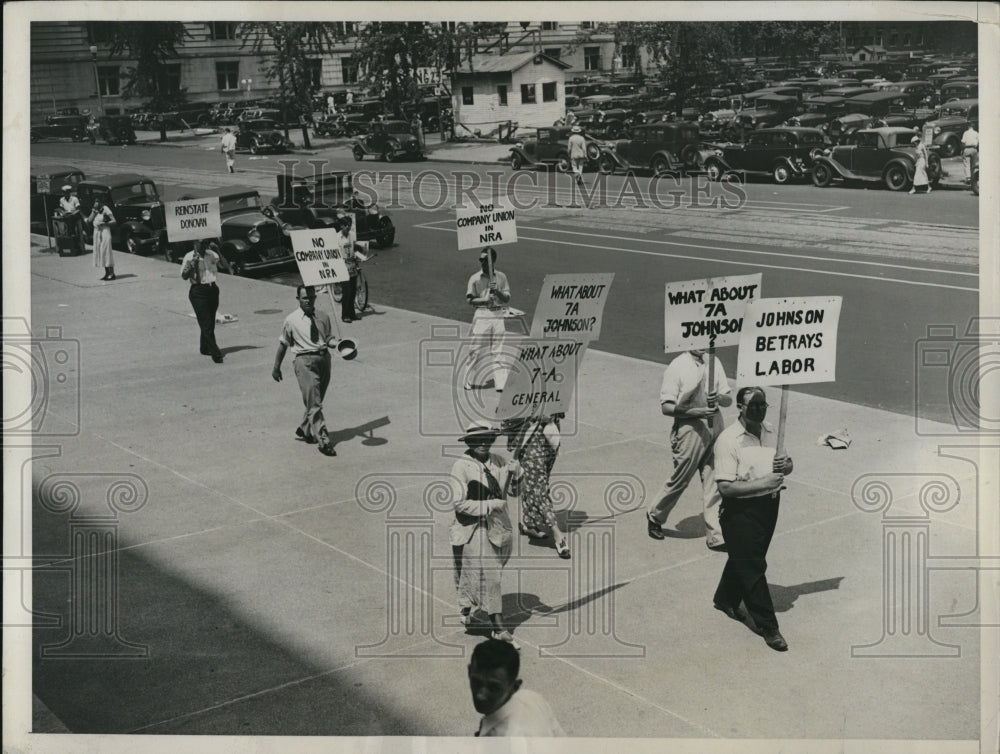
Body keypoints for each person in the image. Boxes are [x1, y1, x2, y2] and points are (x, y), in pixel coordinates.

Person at [712, 386, 794, 652]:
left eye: (762, 405)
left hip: (769, 506)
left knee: (747, 556)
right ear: (740, 407)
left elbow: (787, 465)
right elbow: (726, 488)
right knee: (754, 566)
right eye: (753, 406)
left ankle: (725, 598)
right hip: (740, 511)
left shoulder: (771, 431)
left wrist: (785, 466)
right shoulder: (728, 440)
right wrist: (765, 482)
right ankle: (768, 626)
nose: (759, 410)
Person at [646, 348, 732, 550]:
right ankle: (655, 515)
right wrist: (698, 411)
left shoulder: (713, 361)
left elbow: (728, 399)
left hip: (715, 423)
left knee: (715, 478)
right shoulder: (678, 365)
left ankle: (715, 535)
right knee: (682, 477)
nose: (702, 344)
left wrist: (719, 398)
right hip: (690, 427)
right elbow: (667, 407)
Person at [448, 424, 523, 648]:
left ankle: (466, 606)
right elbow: (459, 504)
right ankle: (499, 629)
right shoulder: (460, 467)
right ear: (468, 442)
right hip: (471, 527)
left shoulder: (499, 461)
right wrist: (490, 505)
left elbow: (514, 492)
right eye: (477, 440)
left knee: (475, 573)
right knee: (490, 576)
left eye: (488, 439)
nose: (483, 444)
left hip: (498, 527)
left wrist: (518, 475)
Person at [272, 285, 337, 457]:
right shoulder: (291, 320)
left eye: (311, 297)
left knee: (316, 399)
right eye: (304, 298)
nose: (308, 301)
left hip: (324, 359)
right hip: (304, 361)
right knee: (314, 403)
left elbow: (328, 338)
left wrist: (338, 344)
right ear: (298, 299)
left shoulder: (323, 316)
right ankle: (323, 440)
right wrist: (276, 368)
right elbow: (283, 344)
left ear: (315, 297)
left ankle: (304, 428)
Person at [503, 414, 570, 558]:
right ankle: (558, 535)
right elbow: (507, 410)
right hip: (529, 437)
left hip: (550, 435)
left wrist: (553, 413)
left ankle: (530, 524)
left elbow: (561, 408)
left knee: (537, 483)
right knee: (538, 488)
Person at [468, 638, 565, 737]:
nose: (480, 695)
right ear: (469, 672)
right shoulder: (531, 697)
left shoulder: (504, 738)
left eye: (493, 688)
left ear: (514, 687)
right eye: (476, 682)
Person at [463, 247, 511, 393]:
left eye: (485, 259)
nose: (482, 262)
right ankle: (468, 381)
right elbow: (470, 300)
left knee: (498, 350)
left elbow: (507, 298)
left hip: (498, 314)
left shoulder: (501, 277)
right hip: (482, 314)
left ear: (493, 260)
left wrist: (497, 292)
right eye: (481, 259)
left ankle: (501, 383)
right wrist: (484, 300)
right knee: (476, 350)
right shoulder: (475, 278)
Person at [180, 240, 232, 364]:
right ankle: (216, 353)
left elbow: (225, 266)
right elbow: (184, 276)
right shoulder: (189, 256)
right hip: (198, 291)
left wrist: (218, 251)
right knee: (206, 323)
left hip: (212, 289)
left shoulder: (212, 254)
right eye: (201, 243)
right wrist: (192, 264)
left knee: (210, 321)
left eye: (206, 243)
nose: (204, 245)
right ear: (195, 243)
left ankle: (204, 348)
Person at [89, 197, 116, 281]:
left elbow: (114, 221)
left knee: (106, 251)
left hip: (105, 231)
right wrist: (93, 212)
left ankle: (112, 273)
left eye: (97, 201)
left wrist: (104, 223)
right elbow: (89, 220)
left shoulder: (106, 209)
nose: (95, 203)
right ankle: (107, 273)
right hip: (97, 232)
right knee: (101, 252)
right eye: (95, 201)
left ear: (101, 202)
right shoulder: (95, 210)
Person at [58, 185, 85, 251]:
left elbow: (78, 209)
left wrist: (72, 213)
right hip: (66, 215)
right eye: (64, 192)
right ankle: (68, 237)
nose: (66, 194)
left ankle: (71, 235)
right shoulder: (62, 199)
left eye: (67, 192)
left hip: (74, 214)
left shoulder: (74, 199)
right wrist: (63, 212)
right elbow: (61, 208)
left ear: (69, 192)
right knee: (63, 221)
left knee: (70, 220)